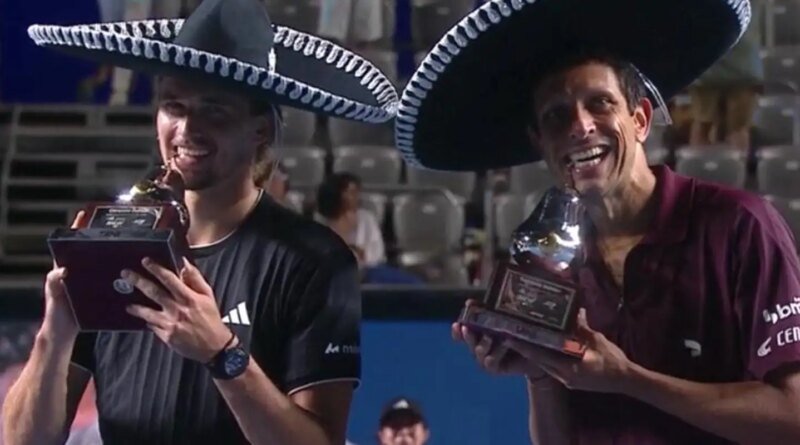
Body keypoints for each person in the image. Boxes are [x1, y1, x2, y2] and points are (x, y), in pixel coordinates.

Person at [394, 0, 800, 444]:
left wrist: (628, 378)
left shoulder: (740, 226)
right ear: (540, 142)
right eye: (556, 116)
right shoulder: (546, 258)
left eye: (600, 103)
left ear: (641, 119)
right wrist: (542, 372)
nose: (580, 126)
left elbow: (793, 415)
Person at [5, 0, 398, 444]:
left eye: (215, 110)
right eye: (174, 106)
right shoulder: (113, 248)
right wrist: (54, 336)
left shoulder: (316, 261)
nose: (187, 128)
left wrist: (222, 353)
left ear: (261, 130)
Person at [688, 0, 764, 152]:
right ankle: (736, 171)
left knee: (704, 123)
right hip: (741, 64)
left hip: (708, 61)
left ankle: (698, 171)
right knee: (737, 128)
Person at [315, 173, 386, 268]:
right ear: (336, 194)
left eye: (357, 192)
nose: (357, 197)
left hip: (368, 271)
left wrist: (361, 255)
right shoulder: (320, 222)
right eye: (351, 192)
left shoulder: (366, 218)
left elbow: (377, 251)